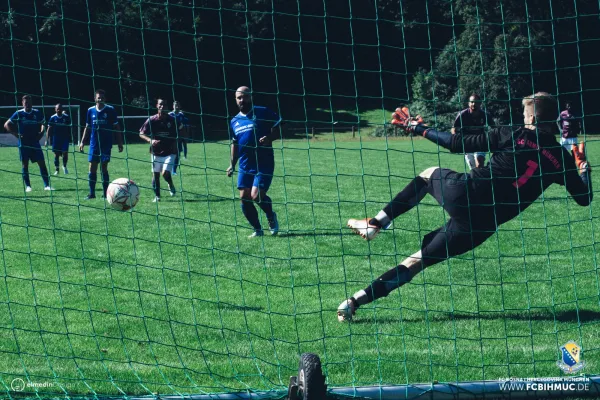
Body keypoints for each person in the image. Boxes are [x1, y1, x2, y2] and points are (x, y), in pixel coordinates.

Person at [340, 92, 592, 322]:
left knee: (428, 175)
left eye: (525, 115)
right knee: (417, 262)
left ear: (531, 118)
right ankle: (353, 303)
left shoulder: (513, 133)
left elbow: (455, 143)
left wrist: (418, 127)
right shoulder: (560, 159)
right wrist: (583, 168)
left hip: (466, 194)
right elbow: (584, 198)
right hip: (482, 225)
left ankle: (376, 223)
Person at [227, 86, 281, 238]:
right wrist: (232, 164)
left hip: (264, 162)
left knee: (255, 195)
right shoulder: (234, 121)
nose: (242, 100)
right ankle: (258, 229)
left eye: (245, 96)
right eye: (239, 98)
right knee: (244, 197)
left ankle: (270, 215)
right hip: (245, 164)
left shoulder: (263, 112)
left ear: (251, 97)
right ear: (236, 100)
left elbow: (280, 128)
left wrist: (270, 138)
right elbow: (235, 144)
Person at [79, 89, 123, 200]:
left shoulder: (110, 110)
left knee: (104, 167)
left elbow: (116, 127)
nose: (100, 99)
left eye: (102, 98)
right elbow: (87, 127)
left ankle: (105, 193)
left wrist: (119, 142)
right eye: (98, 97)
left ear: (105, 99)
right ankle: (91, 193)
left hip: (106, 144)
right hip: (94, 145)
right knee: (92, 167)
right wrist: (82, 142)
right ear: (95, 99)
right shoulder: (90, 110)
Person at [3, 95, 53, 192]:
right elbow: (6, 124)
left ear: (31, 103)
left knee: (42, 163)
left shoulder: (36, 113)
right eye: (26, 103)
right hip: (24, 143)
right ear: (22, 103)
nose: (28, 104)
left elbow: (43, 123)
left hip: (35, 142)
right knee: (25, 165)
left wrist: (41, 133)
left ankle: (47, 185)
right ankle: (28, 186)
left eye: (29, 102)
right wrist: (16, 134)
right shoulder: (19, 113)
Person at [139, 98, 178, 202]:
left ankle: (170, 184)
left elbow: (181, 130)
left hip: (170, 152)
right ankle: (157, 196)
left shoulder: (172, 120)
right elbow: (141, 133)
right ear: (157, 106)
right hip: (156, 152)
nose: (162, 106)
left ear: (167, 106)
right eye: (160, 104)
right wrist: (150, 140)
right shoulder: (151, 120)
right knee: (155, 175)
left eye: (164, 105)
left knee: (165, 173)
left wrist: (178, 143)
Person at [453, 94, 491, 169]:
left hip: (480, 142)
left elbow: (494, 127)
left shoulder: (485, 115)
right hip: (467, 142)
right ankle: (479, 179)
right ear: (469, 103)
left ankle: (484, 178)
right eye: (472, 102)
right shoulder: (462, 115)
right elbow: (454, 129)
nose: (474, 104)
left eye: (476, 102)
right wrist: (455, 141)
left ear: (480, 103)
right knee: (473, 169)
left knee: (479, 163)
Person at [47, 103, 72, 175]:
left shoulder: (66, 117)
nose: (59, 110)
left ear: (62, 109)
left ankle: (64, 166)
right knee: (56, 154)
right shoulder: (52, 117)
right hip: (56, 139)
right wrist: (47, 139)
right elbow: (49, 128)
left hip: (64, 139)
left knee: (65, 153)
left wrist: (70, 136)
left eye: (60, 108)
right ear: (55, 109)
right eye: (57, 109)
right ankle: (57, 169)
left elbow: (70, 127)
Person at [169, 100, 189, 176]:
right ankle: (167, 168)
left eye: (178, 105)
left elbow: (186, 122)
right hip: (171, 138)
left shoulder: (181, 115)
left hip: (179, 138)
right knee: (170, 154)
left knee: (177, 154)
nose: (176, 107)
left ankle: (174, 171)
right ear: (173, 106)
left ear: (180, 106)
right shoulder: (170, 114)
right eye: (175, 105)